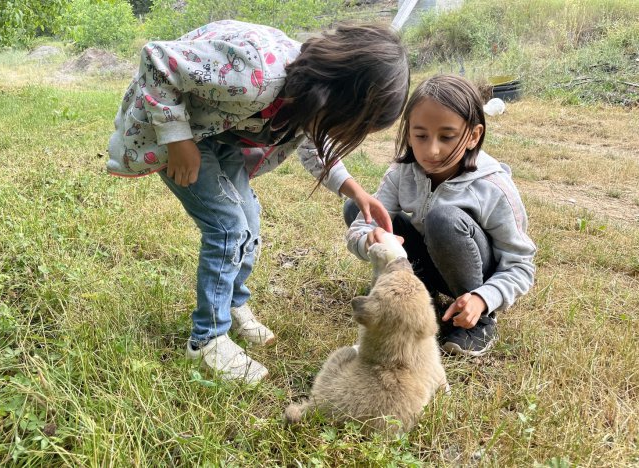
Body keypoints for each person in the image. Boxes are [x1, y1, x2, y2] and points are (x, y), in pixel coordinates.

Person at [107, 20, 411, 383]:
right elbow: (158, 60)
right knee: (227, 228)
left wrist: (356, 191)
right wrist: (177, 139)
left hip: (222, 135)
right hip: (182, 130)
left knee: (248, 218)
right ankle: (207, 339)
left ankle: (232, 303)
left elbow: (315, 145)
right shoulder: (257, 73)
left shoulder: (310, 98)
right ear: (342, 94)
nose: (347, 134)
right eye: (354, 125)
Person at [345, 74, 536, 357]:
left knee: (442, 218)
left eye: (447, 137)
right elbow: (360, 228)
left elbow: (521, 266)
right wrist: (371, 241)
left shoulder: (493, 187)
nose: (431, 150)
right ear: (408, 132)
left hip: (475, 276)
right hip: (430, 260)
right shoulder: (402, 172)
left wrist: (484, 299)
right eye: (420, 136)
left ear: (473, 136)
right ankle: (421, 296)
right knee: (358, 207)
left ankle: (479, 321)